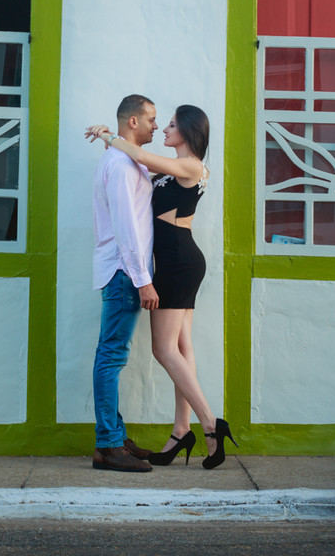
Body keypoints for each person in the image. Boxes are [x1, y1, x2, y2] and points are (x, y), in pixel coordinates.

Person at [86, 105, 236, 469]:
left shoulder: (192, 166)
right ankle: (180, 431)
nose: (164, 128)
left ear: (187, 130)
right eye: (161, 123)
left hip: (178, 264)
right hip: (174, 262)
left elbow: (137, 153)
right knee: (182, 348)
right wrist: (116, 143)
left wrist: (107, 135)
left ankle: (210, 425)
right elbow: (136, 162)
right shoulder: (173, 166)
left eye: (170, 124)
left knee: (164, 349)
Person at [89, 94, 160, 472]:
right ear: (132, 122)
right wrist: (142, 280)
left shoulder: (128, 160)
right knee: (111, 356)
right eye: (150, 118)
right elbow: (124, 228)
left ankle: (114, 435)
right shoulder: (120, 165)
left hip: (125, 273)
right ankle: (108, 445)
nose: (155, 125)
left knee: (113, 355)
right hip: (123, 273)